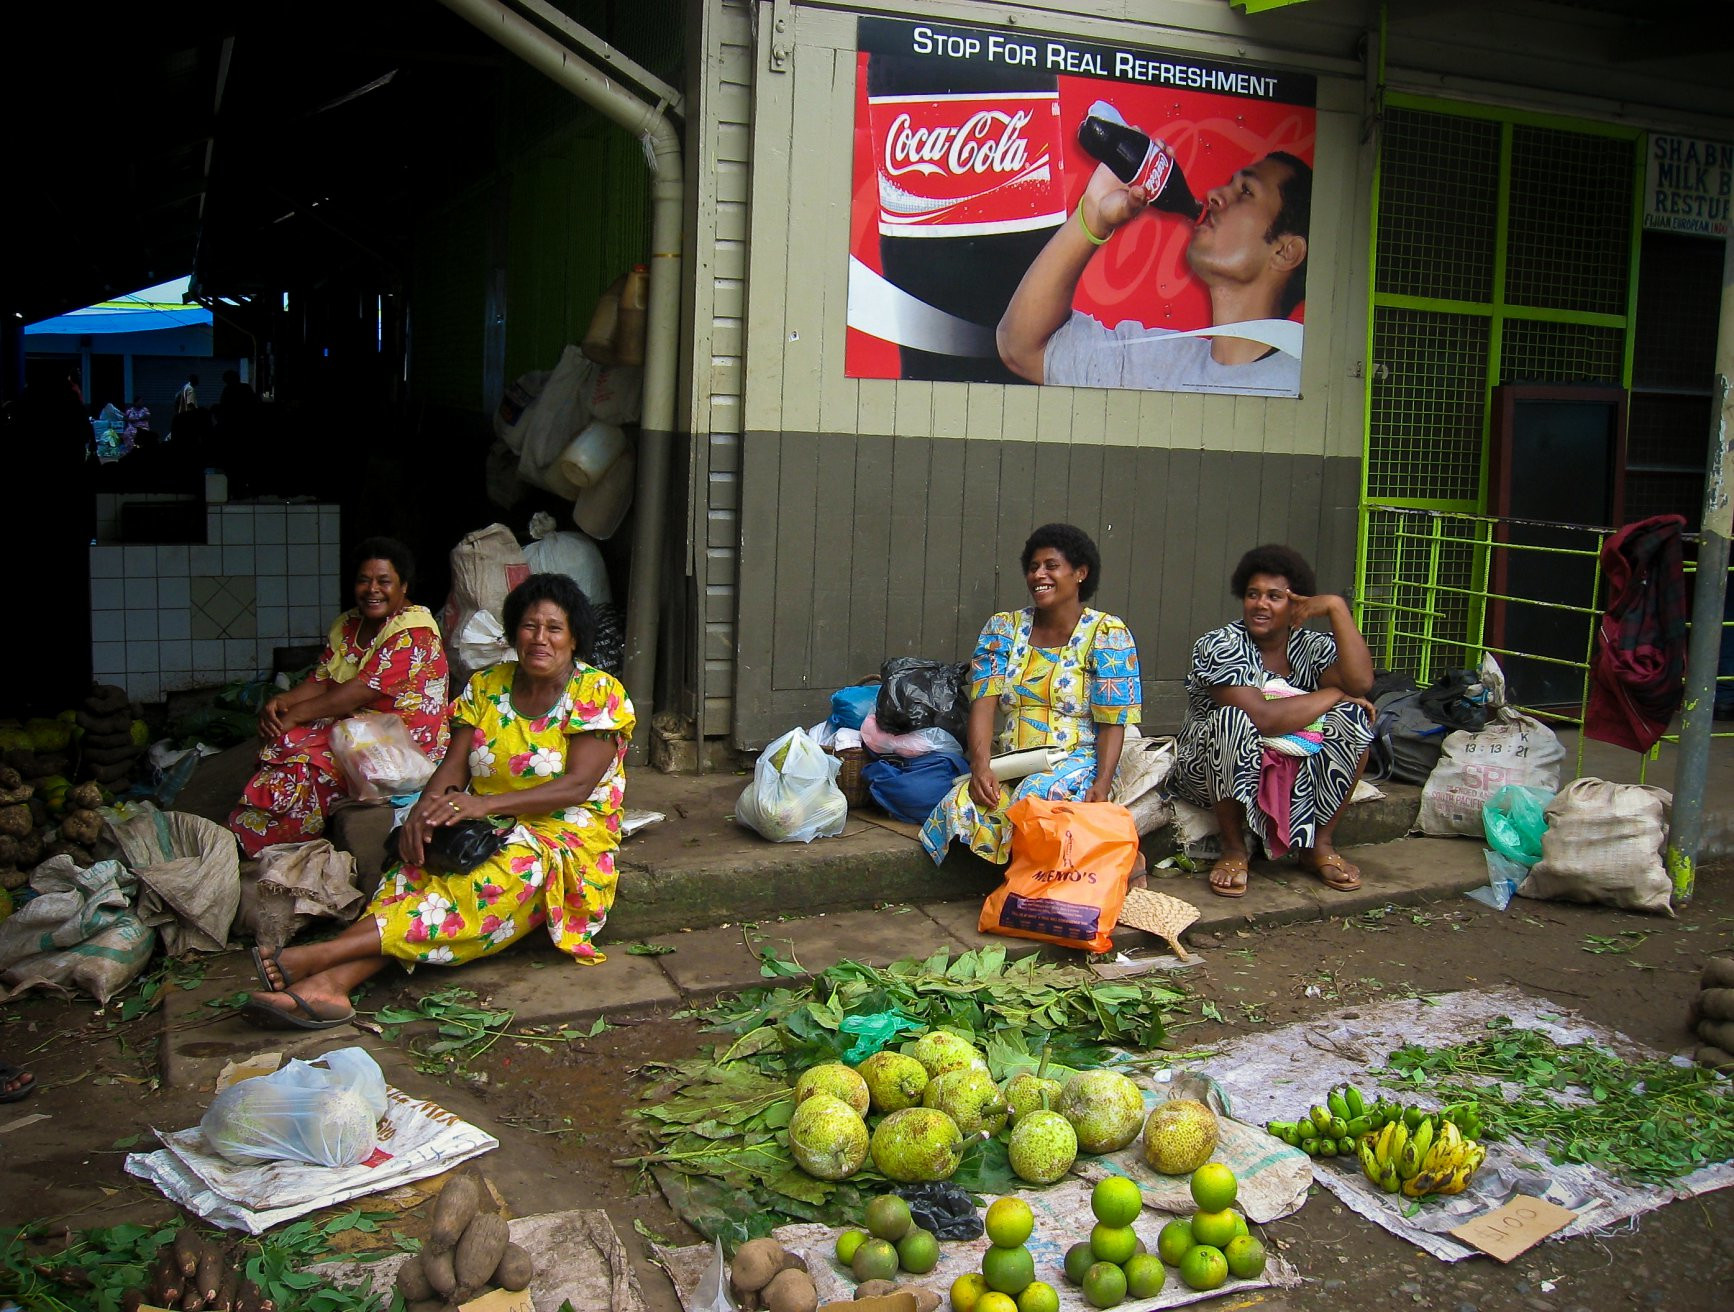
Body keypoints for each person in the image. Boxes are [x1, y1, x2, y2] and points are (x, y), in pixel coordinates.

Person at [244, 573, 636, 1029]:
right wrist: (421, 816)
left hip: (564, 836)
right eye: (530, 627)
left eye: (554, 628)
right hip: (486, 823)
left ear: (574, 637)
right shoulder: (487, 686)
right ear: (513, 633)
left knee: (486, 880)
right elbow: (453, 769)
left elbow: (576, 787)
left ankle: (318, 957)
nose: (540, 639)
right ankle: (328, 987)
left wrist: (481, 807)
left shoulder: (597, 693)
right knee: (413, 870)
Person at [997, 151, 1312, 395]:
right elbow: (1023, 348)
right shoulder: (1158, 363)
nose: (1214, 194)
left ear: (1286, 252)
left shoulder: (1303, 386)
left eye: (1246, 191)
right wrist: (1093, 216)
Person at [920, 523, 1141, 865]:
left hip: (1074, 760)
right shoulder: (1003, 629)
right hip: (1012, 761)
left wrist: (1103, 782)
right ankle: (1026, 875)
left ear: (1080, 573)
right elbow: (984, 704)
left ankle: (1051, 879)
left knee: (1036, 796)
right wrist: (981, 767)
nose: (1039, 575)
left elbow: (1113, 719)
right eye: (1033, 567)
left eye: (1051, 566)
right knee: (962, 804)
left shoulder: (1107, 634)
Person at [1170, 544, 1375, 898]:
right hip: (1213, 773)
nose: (1260, 604)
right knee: (1231, 720)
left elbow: (1360, 684)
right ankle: (1234, 849)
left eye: (1274, 596)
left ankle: (1318, 845)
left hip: (1295, 768)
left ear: (1297, 604)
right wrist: (1332, 694)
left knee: (1354, 717)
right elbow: (1261, 718)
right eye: (1253, 594)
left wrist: (1336, 608)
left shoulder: (1311, 647)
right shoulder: (1222, 644)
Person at [230, 537, 450, 856]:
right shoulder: (349, 624)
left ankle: (272, 842)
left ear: (403, 586)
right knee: (283, 740)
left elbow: (355, 692)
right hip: (359, 726)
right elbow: (323, 679)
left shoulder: (413, 633)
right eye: (364, 580)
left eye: (384, 581)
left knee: (306, 761)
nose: (372, 589)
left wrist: (294, 715)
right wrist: (285, 701)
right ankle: (252, 828)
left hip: (404, 741)